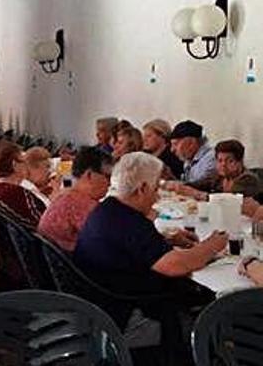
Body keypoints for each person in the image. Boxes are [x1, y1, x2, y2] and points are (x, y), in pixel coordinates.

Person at [74, 152, 227, 296]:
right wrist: (212, 245)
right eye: (155, 189)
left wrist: (167, 240)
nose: (157, 197)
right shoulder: (129, 221)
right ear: (142, 189)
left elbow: (131, 246)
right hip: (125, 301)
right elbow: (176, 266)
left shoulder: (109, 207)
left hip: (99, 291)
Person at [38, 147, 113, 252]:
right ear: (89, 174)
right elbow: (108, 243)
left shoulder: (65, 195)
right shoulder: (83, 205)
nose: (110, 183)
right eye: (107, 177)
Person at [168, 139, 262, 200]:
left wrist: (195, 193)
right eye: (220, 161)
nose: (223, 165)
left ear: (240, 162)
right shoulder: (219, 177)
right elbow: (200, 184)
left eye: (229, 161)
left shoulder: (248, 179)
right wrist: (179, 185)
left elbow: (228, 201)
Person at [0, 141, 46, 226]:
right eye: (23, 161)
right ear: (14, 165)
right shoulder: (18, 194)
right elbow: (43, 222)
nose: (26, 165)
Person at [169, 120, 217, 189]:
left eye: (175, 144)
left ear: (191, 143)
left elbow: (204, 186)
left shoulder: (211, 158)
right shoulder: (188, 159)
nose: (172, 150)